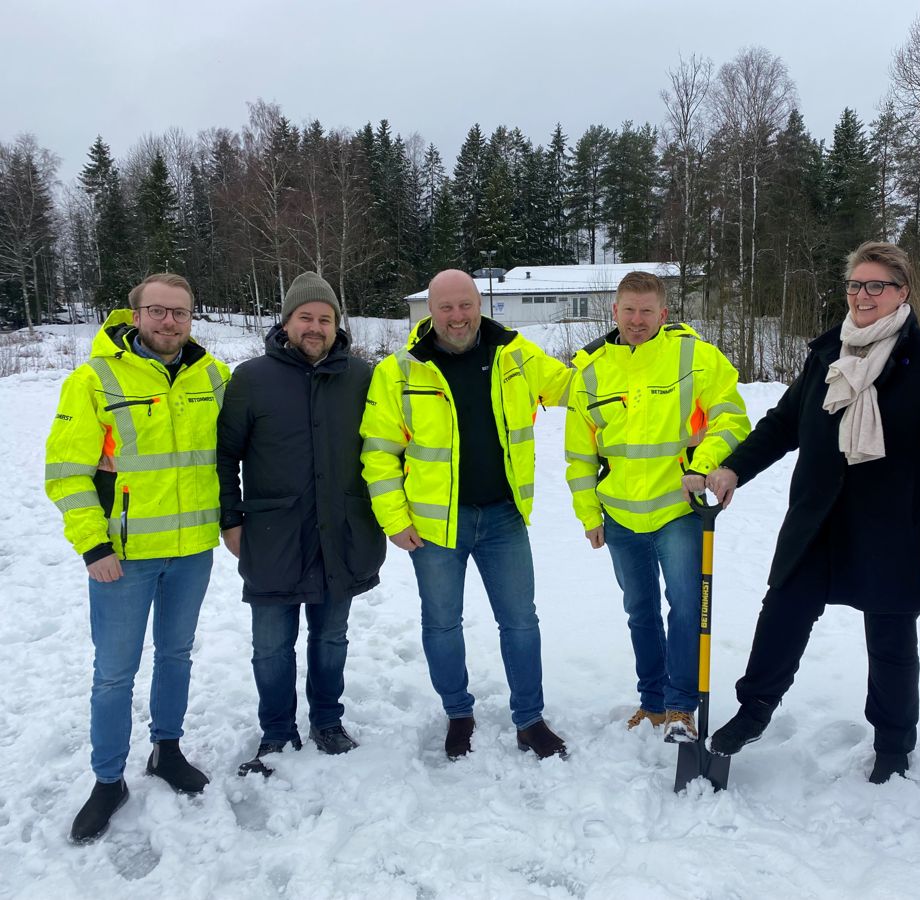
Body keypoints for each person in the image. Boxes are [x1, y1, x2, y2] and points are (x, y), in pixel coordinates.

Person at [704, 241, 920, 784]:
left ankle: (894, 745)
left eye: (876, 286)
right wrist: (734, 468)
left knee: (890, 635)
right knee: (783, 609)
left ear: (902, 292)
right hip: (820, 517)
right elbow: (785, 423)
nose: (862, 295)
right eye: (855, 285)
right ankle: (755, 708)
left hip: (896, 525)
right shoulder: (828, 353)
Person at [45, 274, 230, 843]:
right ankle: (107, 780)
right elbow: (66, 472)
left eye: (179, 313)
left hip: (192, 551)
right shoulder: (94, 378)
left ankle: (166, 751)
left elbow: (236, 451)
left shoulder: (213, 376)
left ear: (192, 317)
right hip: (122, 559)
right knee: (113, 674)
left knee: (176, 656)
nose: (168, 322)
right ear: (135, 315)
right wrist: (92, 545)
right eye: (157, 311)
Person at [360, 269, 574, 760]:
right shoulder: (400, 371)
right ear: (429, 312)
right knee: (441, 625)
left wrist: (623, 348)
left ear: (480, 303)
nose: (458, 317)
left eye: (466, 305)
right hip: (436, 525)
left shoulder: (515, 355)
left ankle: (530, 719)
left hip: (503, 518)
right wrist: (394, 517)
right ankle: (458, 712)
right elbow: (378, 451)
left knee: (521, 622)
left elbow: (570, 389)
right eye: (446, 308)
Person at [565, 271, 750, 742]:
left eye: (647, 311)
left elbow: (732, 417)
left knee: (686, 608)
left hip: (677, 509)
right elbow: (580, 454)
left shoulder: (695, 356)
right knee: (639, 610)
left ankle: (681, 707)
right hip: (621, 515)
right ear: (614, 311)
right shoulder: (591, 369)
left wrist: (703, 466)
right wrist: (590, 515)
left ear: (663, 314)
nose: (637, 320)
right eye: (628, 310)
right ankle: (651, 701)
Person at [217, 272, 386, 774]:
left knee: (331, 636)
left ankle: (328, 723)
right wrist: (231, 519)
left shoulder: (362, 377)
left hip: (343, 530)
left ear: (337, 325)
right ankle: (276, 732)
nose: (315, 327)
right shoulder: (251, 378)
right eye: (306, 318)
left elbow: (388, 447)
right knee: (270, 643)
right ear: (287, 321)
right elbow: (226, 456)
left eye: (325, 319)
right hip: (273, 534)